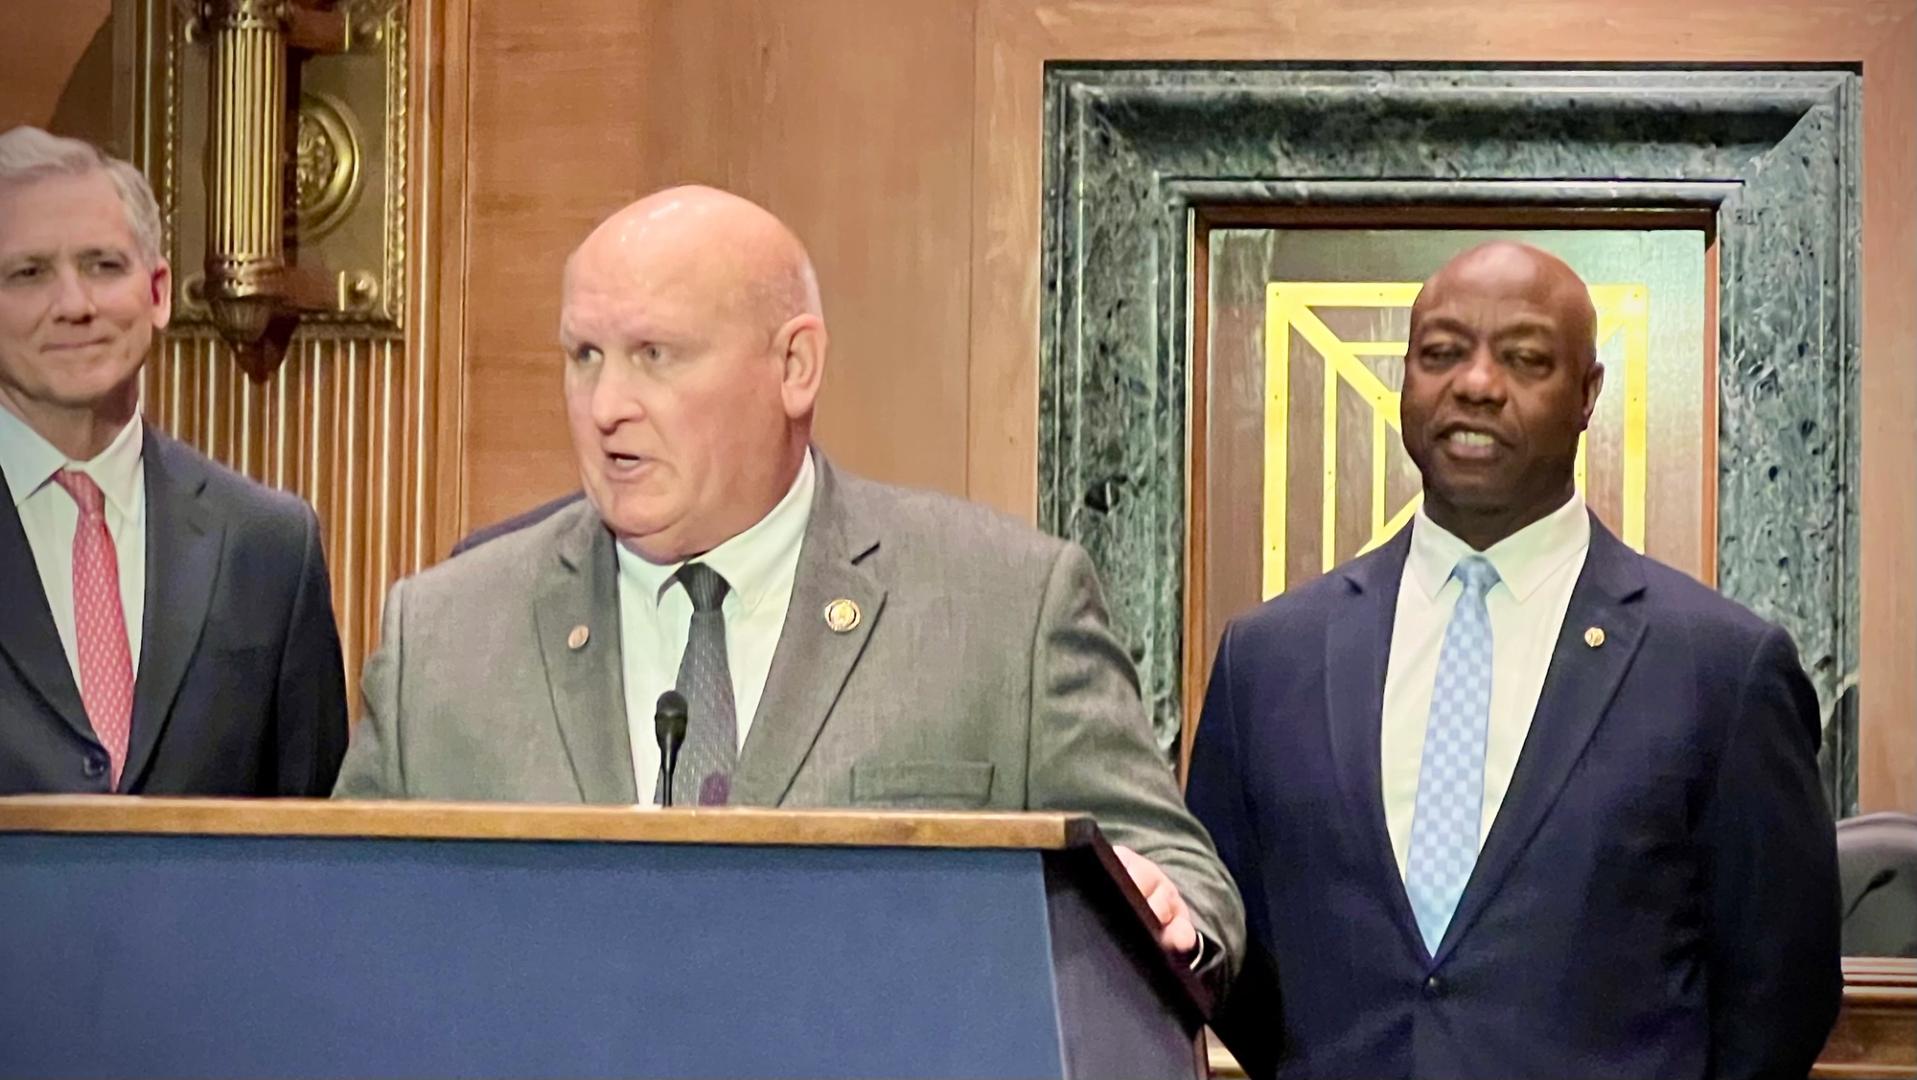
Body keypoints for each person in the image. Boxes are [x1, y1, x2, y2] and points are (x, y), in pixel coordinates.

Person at [334, 185, 1244, 980]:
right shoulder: (444, 638)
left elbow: (1180, 879)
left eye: (655, 354)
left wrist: (1167, 914)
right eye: (584, 357)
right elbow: (340, 935)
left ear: (794, 367)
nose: (607, 405)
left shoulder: (1004, 610)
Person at [1186, 241, 1841, 1078]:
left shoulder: (1721, 670)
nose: (1476, 384)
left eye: (1525, 359)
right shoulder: (1268, 659)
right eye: (1440, 354)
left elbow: (1779, 992)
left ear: (1587, 394)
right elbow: (1231, 949)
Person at [0, 126, 348, 795]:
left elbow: (311, 832)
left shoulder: (269, 545)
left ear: (158, 291)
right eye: (29, 273)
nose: (75, 306)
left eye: (104, 266)